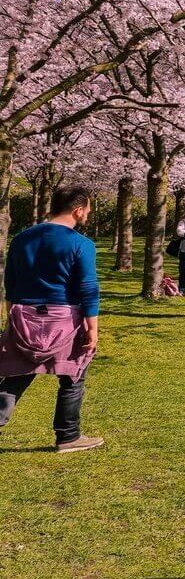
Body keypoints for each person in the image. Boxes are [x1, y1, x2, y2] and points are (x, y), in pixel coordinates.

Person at [0, 185, 103, 453]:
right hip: (63, 319)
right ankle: (68, 436)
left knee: (16, 374)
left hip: (23, 317)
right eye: (88, 210)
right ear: (78, 210)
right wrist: (93, 328)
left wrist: (12, 317)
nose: (88, 216)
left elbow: (10, 282)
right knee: (73, 377)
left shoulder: (22, 238)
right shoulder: (81, 244)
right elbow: (88, 289)